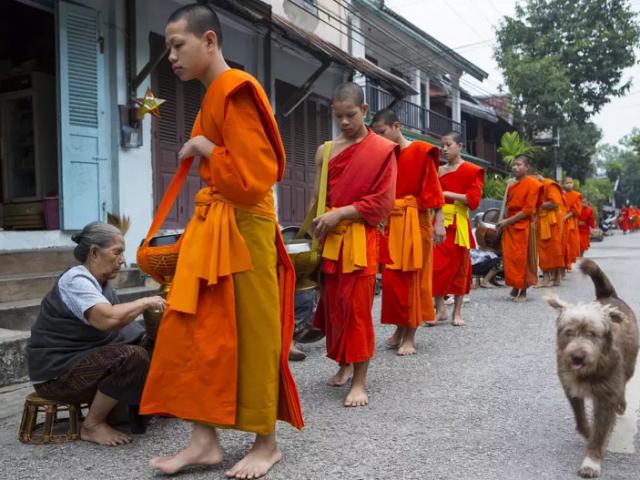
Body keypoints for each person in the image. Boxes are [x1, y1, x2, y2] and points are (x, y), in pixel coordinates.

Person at [139, 5, 303, 478]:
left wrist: (204, 148)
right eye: (168, 46)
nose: (170, 56)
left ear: (209, 41)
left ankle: (266, 442)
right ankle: (203, 440)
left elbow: (255, 178)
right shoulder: (214, 94)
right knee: (194, 330)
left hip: (244, 230)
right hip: (215, 228)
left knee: (252, 331)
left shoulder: (236, 90)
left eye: (178, 45)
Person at [27, 222, 165, 446]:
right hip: (57, 375)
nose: (122, 260)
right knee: (131, 357)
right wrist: (144, 302)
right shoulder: (76, 281)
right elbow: (107, 320)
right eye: (117, 252)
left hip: (85, 362)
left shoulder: (101, 284)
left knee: (155, 345)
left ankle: (139, 407)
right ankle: (92, 425)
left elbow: (124, 330)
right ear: (93, 253)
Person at [311, 82, 397, 407]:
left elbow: (383, 202)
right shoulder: (326, 150)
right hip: (330, 239)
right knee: (334, 306)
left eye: (350, 115)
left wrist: (343, 213)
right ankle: (343, 364)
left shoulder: (380, 150)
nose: (344, 123)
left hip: (359, 238)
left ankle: (360, 381)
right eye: (338, 116)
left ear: (364, 111)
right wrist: (310, 231)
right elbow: (318, 198)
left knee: (357, 309)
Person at [370, 108, 445, 356]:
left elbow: (433, 188)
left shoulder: (421, 151)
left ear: (396, 126)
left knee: (414, 278)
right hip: (393, 221)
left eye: (382, 132)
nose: (379, 138)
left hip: (416, 220)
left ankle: (410, 334)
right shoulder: (384, 155)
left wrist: (439, 220)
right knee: (393, 280)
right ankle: (399, 329)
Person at [432, 132, 484, 326]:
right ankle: (440, 308)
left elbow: (474, 200)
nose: (444, 149)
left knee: (460, 267)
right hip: (438, 221)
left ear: (460, 146)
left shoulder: (472, 170)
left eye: (448, 145)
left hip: (458, 221)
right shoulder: (437, 171)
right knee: (435, 267)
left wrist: (446, 193)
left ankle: (457, 312)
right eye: (442, 145)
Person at [497, 156, 542, 302]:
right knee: (511, 257)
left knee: (524, 258)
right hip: (511, 225)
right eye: (514, 165)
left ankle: (523, 291)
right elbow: (508, 206)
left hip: (525, 226)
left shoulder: (533, 184)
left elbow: (528, 210)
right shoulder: (511, 185)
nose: (515, 167)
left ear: (527, 167)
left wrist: (507, 221)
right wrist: (503, 220)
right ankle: (516, 285)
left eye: (518, 165)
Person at [533, 173, 566, 287]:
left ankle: (549, 278)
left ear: (537, 175)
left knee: (552, 249)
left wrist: (537, 204)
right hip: (542, 220)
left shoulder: (549, 184)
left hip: (551, 222)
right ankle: (553, 277)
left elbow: (555, 203)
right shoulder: (539, 185)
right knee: (547, 249)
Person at [562, 177, 582, 271]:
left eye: (571, 183)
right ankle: (562, 263)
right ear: (563, 184)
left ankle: (568, 263)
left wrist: (566, 216)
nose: (569, 184)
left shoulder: (576, 195)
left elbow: (577, 210)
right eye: (567, 183)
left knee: (570, 244)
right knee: (562, 243)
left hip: (571, 223)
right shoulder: (560, 194)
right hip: (560, 220)